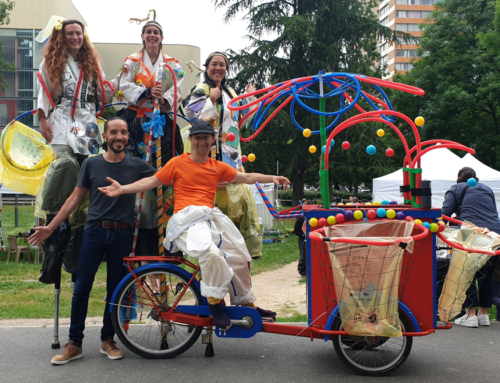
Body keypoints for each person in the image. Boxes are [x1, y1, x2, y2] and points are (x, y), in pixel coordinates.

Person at [99, 120, 291, 329]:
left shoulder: (216, 167)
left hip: (208, 220)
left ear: (212, 140)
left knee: (239, 256)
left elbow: (245, 176)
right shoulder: (177, 163)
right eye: (197, 137)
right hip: (186, 222)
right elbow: (151, 182)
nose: (202, 142)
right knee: (212, 255)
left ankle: (246, 304)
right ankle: (214, 303)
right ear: (191, 139)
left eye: (206, 137)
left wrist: (272, 177)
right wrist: (122, 189)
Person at [29, 117, 156, 364]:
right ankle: (74, 343)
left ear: (127, 137)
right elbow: (74, 199)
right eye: (114, 133)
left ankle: (108, 339)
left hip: (121, 234)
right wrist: (50, 228)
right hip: (94, 233)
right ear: (105, 137)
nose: (119, 137)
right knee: (81, 289)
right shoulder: (91, 164)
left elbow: (167, 177)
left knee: (115, 291)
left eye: (124, 133)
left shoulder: (136, 165)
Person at [181, 52, 263, 258]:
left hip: (232, 159)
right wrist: (210, 99)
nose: (218, 68)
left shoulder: (231, 92)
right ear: (207, 67)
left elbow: (241, 121)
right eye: (214, 64)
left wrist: (250, 98)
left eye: (222, 65)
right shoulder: (202, 88)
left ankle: (236, 259)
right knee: (213, 217)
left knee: (236, 210)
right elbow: (190, 114)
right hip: (210, 160)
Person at [113, 19, 184, 255]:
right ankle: (136, 241)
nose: (152, 36)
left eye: (156, 32)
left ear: (161, 37)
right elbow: (123, 85)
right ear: (143, 36)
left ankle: (169, 239)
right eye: (148, 32)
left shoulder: (173, 63)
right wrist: (145, 92)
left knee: (166, 171)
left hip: (161, 121)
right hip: (137, 122)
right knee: (135, 171)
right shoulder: (131, 61)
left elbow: (178, 89)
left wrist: (163, 99)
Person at [442, 167, 500, 327]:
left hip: (472, 232)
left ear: (458, 177)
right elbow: (489, 212)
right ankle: (484, 315)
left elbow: (444, 213)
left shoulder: (455, 188)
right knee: (487, 275)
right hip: (495, 232)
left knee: (467, 272)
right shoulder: (487, 189)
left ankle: (471, 315)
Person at [294, 198, 307, 277]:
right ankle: (302, 271)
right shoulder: (300, 220)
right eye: (305, 203)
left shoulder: (308, 219)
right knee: (303, 255)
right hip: (302, 239)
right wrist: (302, 235)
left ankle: (308, 270)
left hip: (308, 238)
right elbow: (296, 231)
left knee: (308, 254)